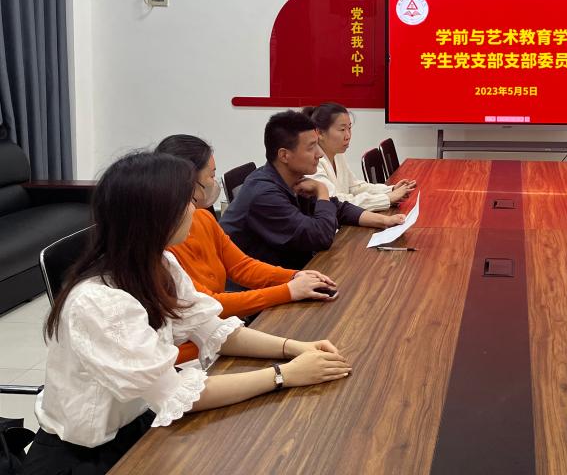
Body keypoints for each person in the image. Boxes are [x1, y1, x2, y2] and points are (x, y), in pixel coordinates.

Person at [23, 152, 352, 475]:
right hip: (86, 457)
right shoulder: (100, 302)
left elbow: (213, 329)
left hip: (137, 424)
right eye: (187, 202)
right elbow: (176, 394)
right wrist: (284, 375)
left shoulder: (160, 262)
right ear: (156, 216)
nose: (194, 209)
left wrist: (295, 348)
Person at [157, 135, 338, 365]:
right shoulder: (164, 249)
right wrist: (288, 291)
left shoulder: (202, 217)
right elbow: (210, 305)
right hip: (191, 356)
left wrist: (294, 277)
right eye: (211, 176)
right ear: (187, 183)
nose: (214, 184)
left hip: (217, 335)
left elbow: (241, 266)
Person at [221, 110, 404, 269]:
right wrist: (322, 190)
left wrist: (385, 221)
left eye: (317, 144)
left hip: (290, 270)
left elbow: (338, 208)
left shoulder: (292, 178)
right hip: (255, 288)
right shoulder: (264, 194)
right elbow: (320, 237)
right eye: (311, 147)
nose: (320, 154)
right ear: (284, 155)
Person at [303, 102, 415, 210]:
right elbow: (336, 202)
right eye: (342, 129)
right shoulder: (312, 163)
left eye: (349, 128)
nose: (348, 136)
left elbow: (354, 187)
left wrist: (391, 190)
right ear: (320, 133)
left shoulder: (337, 154)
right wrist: (388, 198)